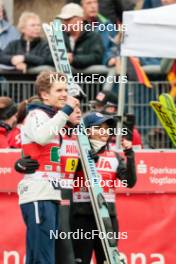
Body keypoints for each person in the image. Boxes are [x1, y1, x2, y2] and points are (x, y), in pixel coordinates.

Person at [17, 70, 78, 264]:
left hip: (49, 194)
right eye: (59, 90)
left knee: (42, 256)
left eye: (66, 90)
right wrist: (66, 110)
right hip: (38, 193)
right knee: (42, 258)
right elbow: (42, 136)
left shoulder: (51, 117)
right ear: (44, 94)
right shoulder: (37, 114)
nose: (64, 94)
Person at [71, 112, 136, 264]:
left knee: (108, 260)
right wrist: (84, 161)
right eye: (99, 128)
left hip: (108, 217)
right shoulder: (75, 152)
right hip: (82, 216)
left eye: (107, 128)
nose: (104, 132)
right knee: (80, 260)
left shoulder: (114, 155)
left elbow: (129, 183)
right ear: (87, 131)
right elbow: (67, 176)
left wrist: (130, 154)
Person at [57, 3, 104, 69]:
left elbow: (97, 57)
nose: (65, 23)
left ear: (80, 19)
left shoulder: (93, 36)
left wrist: (73, 59)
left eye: (68, 19)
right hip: (65, 78)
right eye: (63, 20)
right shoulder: (58, 36)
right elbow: (47, 56)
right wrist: (60, 57)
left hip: (88, 78)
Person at [81, 0, 118, 66]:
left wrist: (109, 58)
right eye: (89, 3)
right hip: (81, 70)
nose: (93, 6)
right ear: (82, 7)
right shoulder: (77, 25)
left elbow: (114, 47)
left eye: (95, 2)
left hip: (105, 70)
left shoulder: (108, 25)